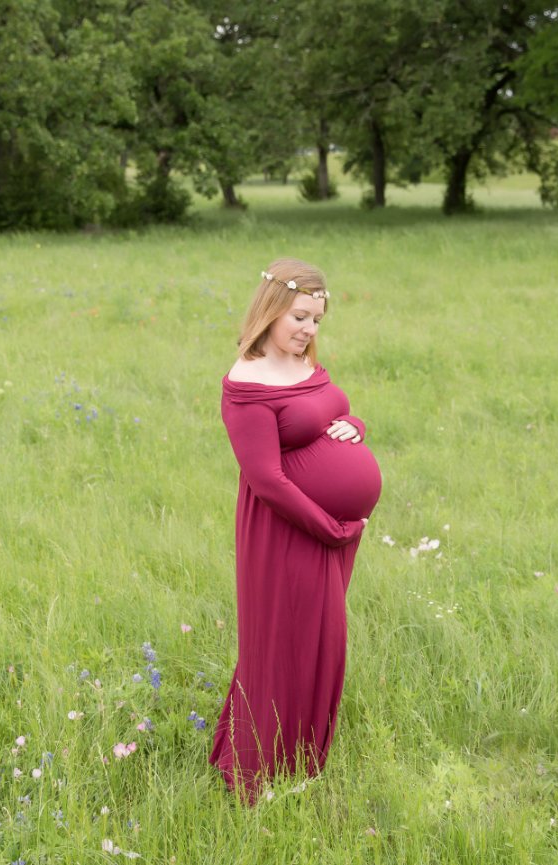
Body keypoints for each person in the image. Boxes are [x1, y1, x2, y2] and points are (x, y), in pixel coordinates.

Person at [208, 257, 383, 806]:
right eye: (300, 317)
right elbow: (268, 480)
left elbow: (333, 411)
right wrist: (332, 527)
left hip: (329, 528)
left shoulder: (303, 363)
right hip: (287, 529)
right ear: (271, 310)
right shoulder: (246, 383)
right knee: (282, 643)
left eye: (317, 320)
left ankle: (301, 760)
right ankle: (255, 772)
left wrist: (352, 426)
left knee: (320, 643)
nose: (309, 330)